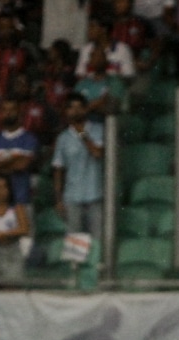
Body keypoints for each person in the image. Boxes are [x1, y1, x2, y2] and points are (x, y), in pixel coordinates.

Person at [52, 93, 105, 243]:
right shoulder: (63, 138)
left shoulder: (98, 129)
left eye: (79, 108)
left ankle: (94, 267)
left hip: (95, 194)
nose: (75, 112)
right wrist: (58, 199)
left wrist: (82, 133)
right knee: (75, 242)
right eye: (71, 108)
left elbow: (96, 153)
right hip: (72, 196)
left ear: (86, 109)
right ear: (66, 112)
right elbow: (58, 169)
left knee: (97, 241)